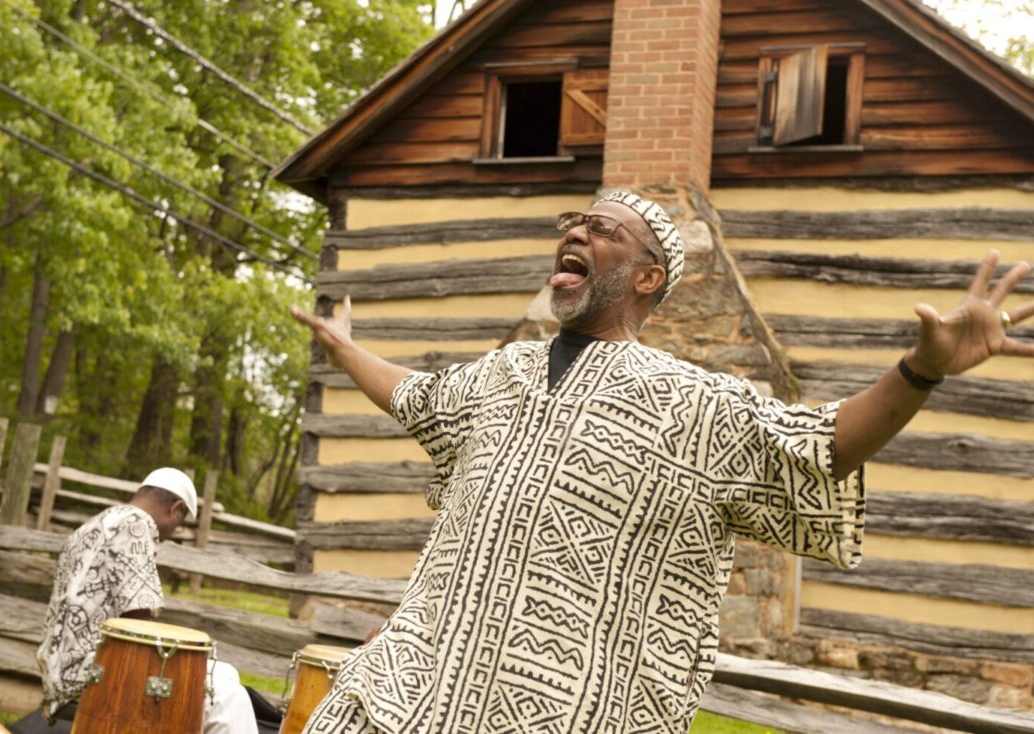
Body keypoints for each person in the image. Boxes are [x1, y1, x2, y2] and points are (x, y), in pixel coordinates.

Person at [290, 189, 1034, 734]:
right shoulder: (499, 374)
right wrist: (346, 348)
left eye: (602, 229)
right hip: (410, 697)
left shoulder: (693, 404)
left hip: (562, 717)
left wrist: (918, 371)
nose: (577, 231)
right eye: (572, 222)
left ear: (646, 278)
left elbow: (818, 447)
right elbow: (416, 397)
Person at [24, 467, 257, 733]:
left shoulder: (95, 524)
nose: (170, 535)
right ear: (175, 508)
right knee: (227, 696)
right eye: (178, 525)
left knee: (225, 674)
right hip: (93, 674)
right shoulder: (136, 525)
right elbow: (141, 629)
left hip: (61, 676)